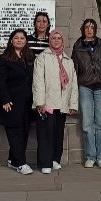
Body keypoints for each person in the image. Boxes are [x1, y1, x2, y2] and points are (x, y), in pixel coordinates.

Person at [33, 29, 78, 173]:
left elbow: (73, 84)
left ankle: (55, 159)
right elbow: (38, 81)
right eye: (54, 38)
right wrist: (40, 102)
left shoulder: (68, 61)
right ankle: (45, 163)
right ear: (50, 40)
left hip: (62, 103)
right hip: (47, 103)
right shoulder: (42, 58)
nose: (57, 40)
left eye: (59, 38)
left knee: (58, 133)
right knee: (46, 134)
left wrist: (72, 104)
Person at [0, 29, 34, 174]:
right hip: (11, 103)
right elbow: (0, 82)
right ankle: (21, 163)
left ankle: (13, 160)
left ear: (26, 41)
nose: (19, 40)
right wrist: (5, 100)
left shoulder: (29, 57)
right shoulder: (5, 58)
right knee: (14, 133)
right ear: (11, 40)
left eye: (22, 38)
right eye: (16, 38)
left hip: (26, 103)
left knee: (24, 132)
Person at [71, 18, 101, 168]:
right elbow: (74, 69)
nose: (89, 30)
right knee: (87, 123)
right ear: (83, 29)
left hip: (100, 87)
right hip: (84, 86)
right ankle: (91, 156)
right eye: (86, 27)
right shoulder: (78, 46)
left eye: (92, 27)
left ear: (95, 29)